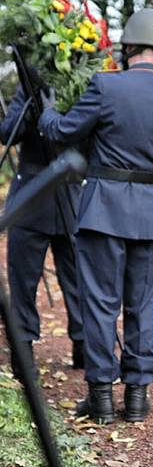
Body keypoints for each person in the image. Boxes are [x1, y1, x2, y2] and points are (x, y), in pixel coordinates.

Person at [37, 9, 153, 423]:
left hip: (104, 208)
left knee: (101, 303)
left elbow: (63, 132)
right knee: (142, 305)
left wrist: (46, 111)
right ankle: (138, 397)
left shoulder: (106, 86)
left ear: (128, 46)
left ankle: (102, 398)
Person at [1, 84, 84, 378]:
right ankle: (24, 350)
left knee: (76, 279)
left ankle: (82, 341)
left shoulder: (84, 85)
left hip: (70, 193)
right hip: (32, 197)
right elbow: (7, 132)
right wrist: (30, 105)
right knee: (23, 280)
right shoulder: (28, 89)